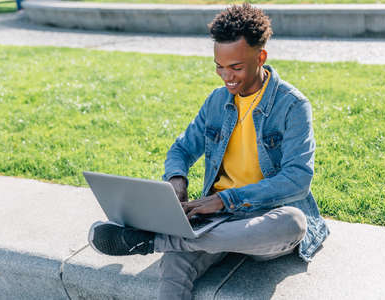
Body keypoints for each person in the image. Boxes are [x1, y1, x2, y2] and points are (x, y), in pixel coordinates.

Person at [88, 4, 330, 299]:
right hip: (214, 219)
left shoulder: (292, 105)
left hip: (263, 219)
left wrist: (225, 200)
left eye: (236, 67)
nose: (226, 76)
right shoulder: (217, 101)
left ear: (261, 56)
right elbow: (181, 148)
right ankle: (174, 240)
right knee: (174, 270)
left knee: (294, 223)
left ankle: (155, 241)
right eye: (219, 66)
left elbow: (297, 179)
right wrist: (177, 180)